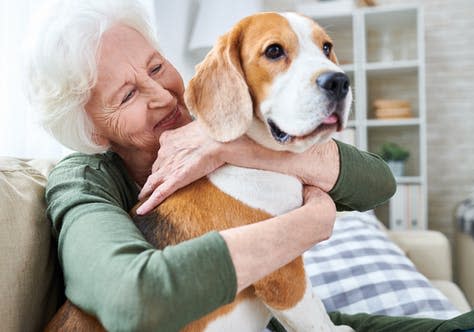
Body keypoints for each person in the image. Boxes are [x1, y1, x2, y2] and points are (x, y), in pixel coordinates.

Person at [26, 0, 398, 331]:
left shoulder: (223, 125)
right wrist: (309, 224)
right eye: (127, 95)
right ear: (94, 133)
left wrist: (229, 148)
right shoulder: (81, 180)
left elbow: (379, 183)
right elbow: (132, 298)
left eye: (156, 68)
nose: (161, 95)